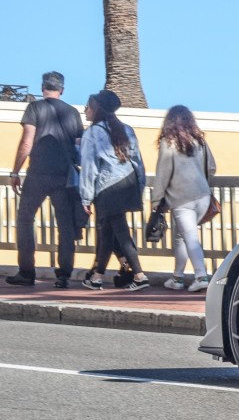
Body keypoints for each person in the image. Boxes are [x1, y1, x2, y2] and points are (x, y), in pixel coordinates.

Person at [7, 71, 83, 288]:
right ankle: (64, 275)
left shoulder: (34, 108)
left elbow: (26, 142)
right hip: (65, 176)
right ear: (62, 90)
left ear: (42, 88)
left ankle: (26, 271)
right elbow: (79, 147)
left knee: (25, 220)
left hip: (38, 173)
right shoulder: (72, 113)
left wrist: (15, 172)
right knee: (65, 225)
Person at [79, 90, 149, 291]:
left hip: (108, 187)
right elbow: (139, 163)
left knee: (120, 232)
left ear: (96, 109)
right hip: (127, 184)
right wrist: (139, 187)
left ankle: (139, 275)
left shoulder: (92, 133)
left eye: (88, 107)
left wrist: (86, 197)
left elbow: (89, 167)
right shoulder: (127, 129)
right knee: (108, 231)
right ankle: (97, 276)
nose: (85, 111)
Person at [150, 105, 216, 292]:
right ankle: (177, 277)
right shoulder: (200, 142)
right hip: (203, 195)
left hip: (181, 198)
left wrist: (156, 201)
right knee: (182, 237)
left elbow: (163, 174)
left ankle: (201, 276)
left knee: (190, 238)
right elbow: (212, 167)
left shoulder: (168, 143)